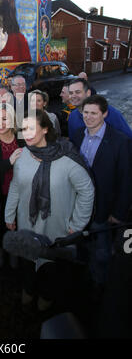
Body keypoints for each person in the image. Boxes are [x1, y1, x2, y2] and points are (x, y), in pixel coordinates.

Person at [5, 109, 94, 311]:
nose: (26, 134)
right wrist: (9, 214)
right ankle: (28, 290)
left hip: (57, 227)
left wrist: (78, 224)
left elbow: (87, 191)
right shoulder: (23, 154)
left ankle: (46, 296)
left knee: (52, 268)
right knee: (28, 262)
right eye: (23, 129)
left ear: (45, 129)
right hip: (27, 224)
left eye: (31, 128)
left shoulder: (67, 157)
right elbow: (16, 186)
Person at [71, 94, 132, 289]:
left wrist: (119, 213)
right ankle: (83, 275)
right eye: (85, 113)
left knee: (102, 250)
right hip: (81, 207)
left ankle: (100, 284)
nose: (88, 117)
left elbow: (126, 180)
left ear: (104, 114)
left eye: (93, 113)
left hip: (105, 210)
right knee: (82, 243)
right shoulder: (79, 134)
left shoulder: (120, 141)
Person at [0, 103, 24, 269]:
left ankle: (15, 253)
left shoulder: (22, 138)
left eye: (4, 119)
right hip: (0, 194)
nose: (0, 123)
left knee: (18, 225)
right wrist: (9, 162)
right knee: (1, 226)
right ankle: (1, 252)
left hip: (21, 194)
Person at [68, 78, 132, 141]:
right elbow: (73, 142)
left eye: (77, 92)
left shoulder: (109, 112)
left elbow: (128, 139)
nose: (73, 96)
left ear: (88, 93)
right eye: (71, 93)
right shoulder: (72, 116)